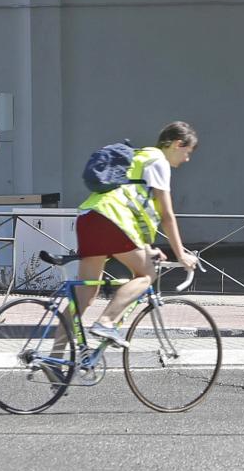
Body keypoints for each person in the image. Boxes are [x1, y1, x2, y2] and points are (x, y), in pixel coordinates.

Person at [73, 121, 200, 347]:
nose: (187, 159)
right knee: (146, 275)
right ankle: (106, 322)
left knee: (85, 295)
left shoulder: (137, 158)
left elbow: (133, 207)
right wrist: (181, 255)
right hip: (111, 220)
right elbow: (166, 214)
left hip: (89, 217)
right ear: (177, 144)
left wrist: (148, 248)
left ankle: (53, 356)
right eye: (187, 152)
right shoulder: (159, 161)